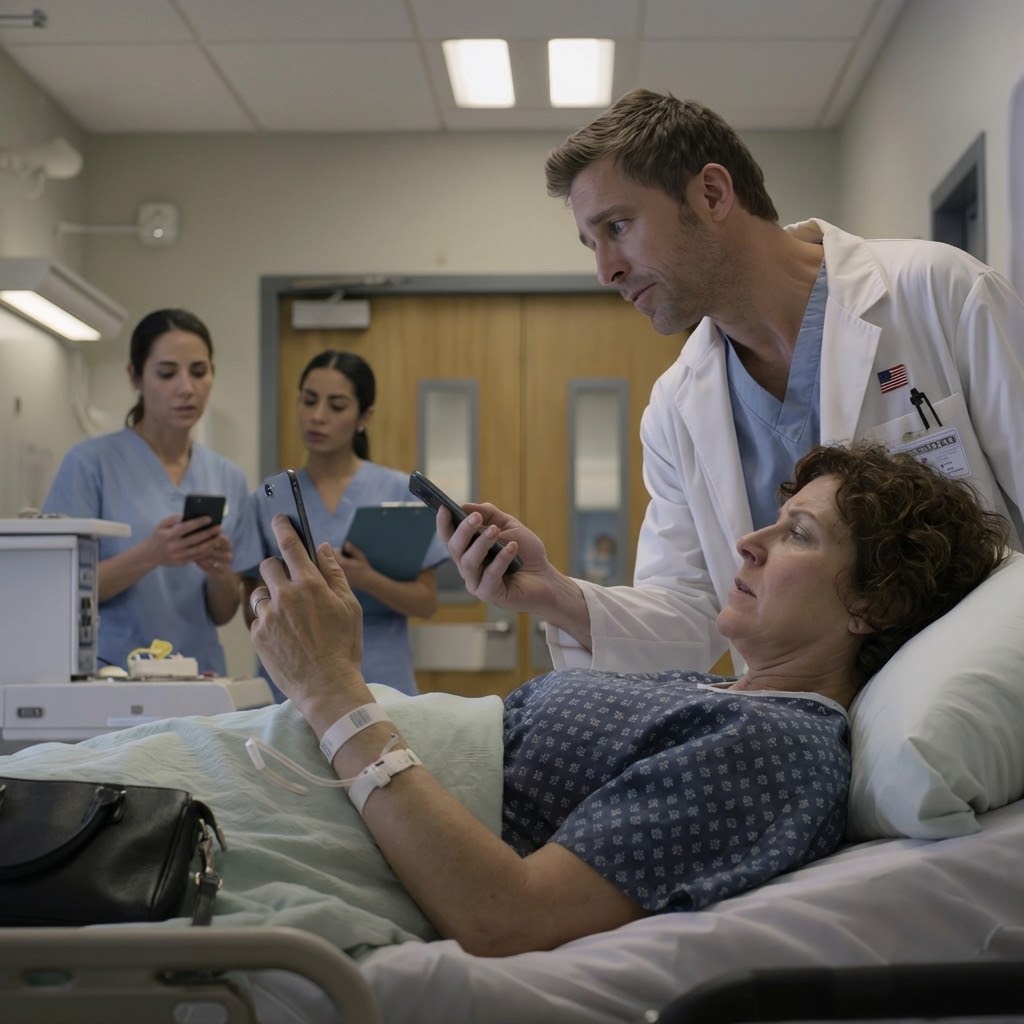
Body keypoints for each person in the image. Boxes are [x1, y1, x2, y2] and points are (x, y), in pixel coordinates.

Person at [246, 442, 1009, 955]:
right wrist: (547, 596)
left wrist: (331, 689)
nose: (750, 541)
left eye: (799, 535)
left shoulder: (776, 748)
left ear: (872, 608)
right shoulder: (724, 694)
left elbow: (508, 913)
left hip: (298, 804)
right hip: (288, 776)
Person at [442, 87, 1024, 678]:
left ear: (713, 194)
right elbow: (693, 611)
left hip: (980, 705)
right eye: (593, 244)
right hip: (806, 738)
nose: (605, 270)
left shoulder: (939, 293)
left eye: (618, 226)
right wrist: (555, 594)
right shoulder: (675, 409)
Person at [42, 308, 262, 676]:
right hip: (111, 675)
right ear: (135, 376)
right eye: (166, 373)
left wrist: (218, 570)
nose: (186, 388)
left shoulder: (228, 477)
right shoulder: (90, 464)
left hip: (198, 675)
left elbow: (223, 612)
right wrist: (151, 554)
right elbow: (59, 591)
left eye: (198, 372)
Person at [243, 350, 448, 698]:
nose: (317, 416)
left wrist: (365, 579)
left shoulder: (399, 492)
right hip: (290, 681)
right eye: (309, 401)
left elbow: (425, 603)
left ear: (363, 416)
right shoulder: (267, 500)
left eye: (336, 406)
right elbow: (251, 608)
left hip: (380, 681)